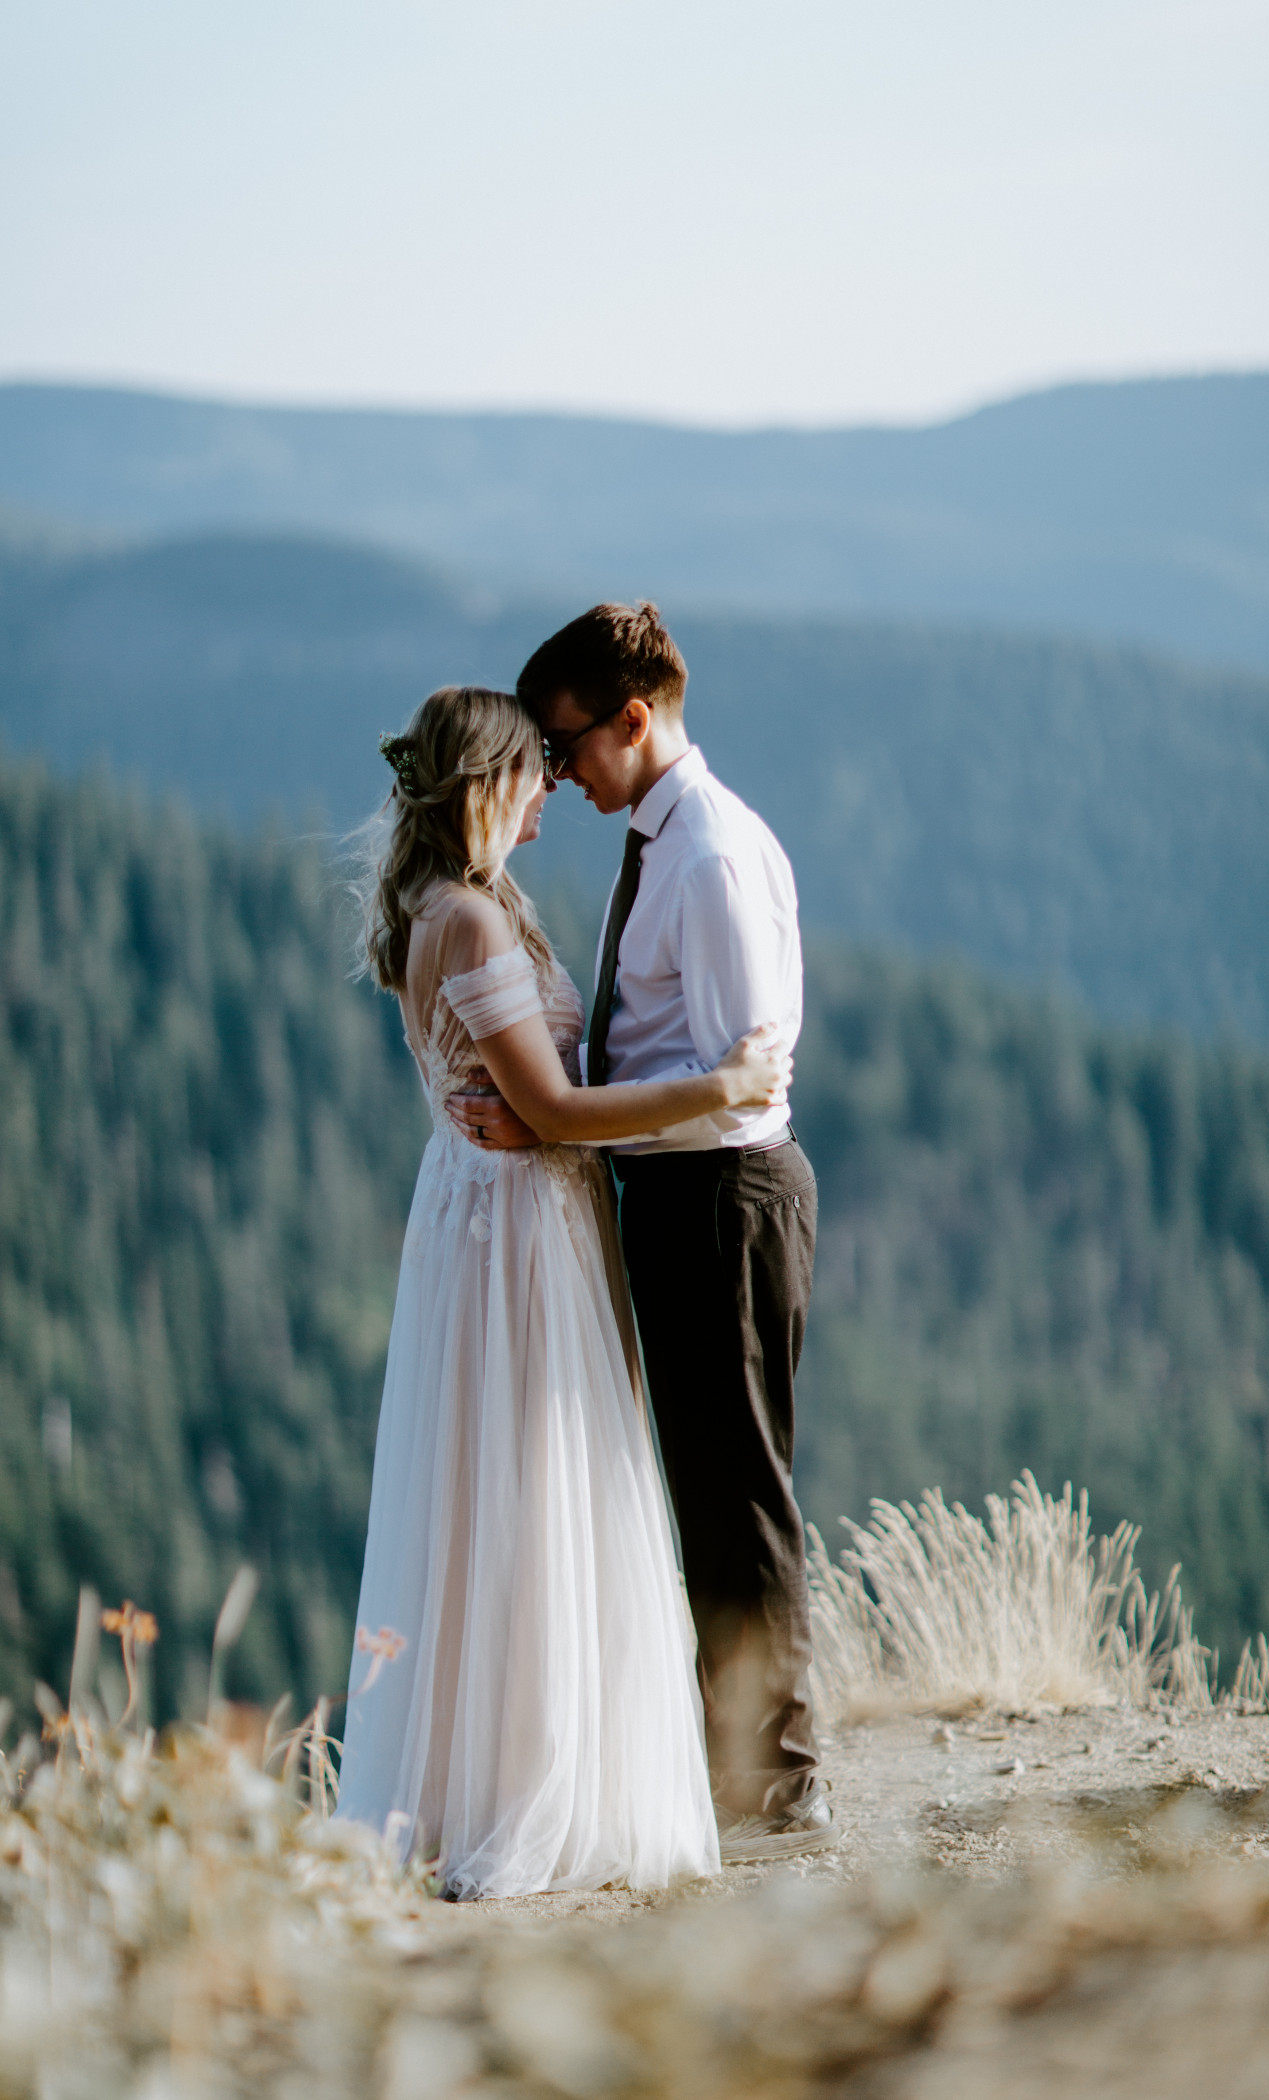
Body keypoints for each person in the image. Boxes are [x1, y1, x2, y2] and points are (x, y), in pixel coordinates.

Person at [335, 683, 790, 1900]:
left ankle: (488, 1772)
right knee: (533, 1491)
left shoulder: (449, 909)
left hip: (497, 1218)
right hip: (515, 1237)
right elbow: (547, 1111)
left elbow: (522, 1100)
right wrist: (718, 1083)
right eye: (532, 769)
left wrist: (532, 1120)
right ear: (485, 785)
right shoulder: (472, 925)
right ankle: (530, 1789)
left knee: (500, 1495)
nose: (550, 788)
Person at [453, 604, 833, 1864]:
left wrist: (563, 1130)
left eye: (564, 750)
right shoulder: (663, 842)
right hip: (675, 1196)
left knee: (737, 1488)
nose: (554, 776)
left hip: (722, 1197)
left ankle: (776, 1782)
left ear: (633, 718)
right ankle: (734, 1758)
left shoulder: (710, 855)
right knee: (704, 1484)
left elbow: (741, 1077)